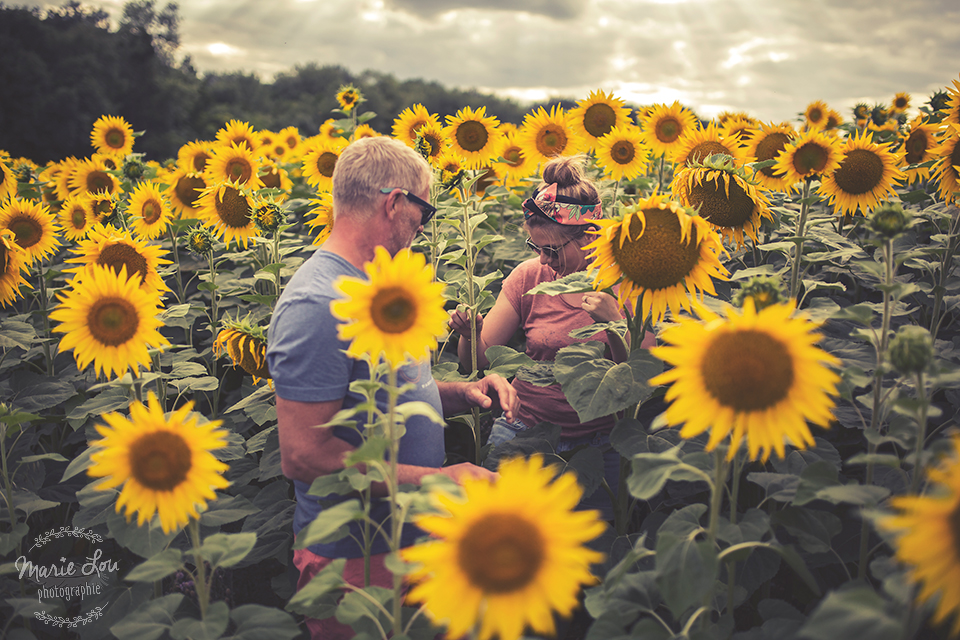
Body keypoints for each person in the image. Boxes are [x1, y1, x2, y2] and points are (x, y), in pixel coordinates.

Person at [266, 136, 518, 640]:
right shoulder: (318, 304)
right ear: (394, 202)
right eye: (423, 211)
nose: (423, 227)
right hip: (356, 558)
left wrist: (456, 393)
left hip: (409, 542)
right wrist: (438, 480)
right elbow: (304, 455)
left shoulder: (380, 287)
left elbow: (382, 393)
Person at [449, 156, 654, 518]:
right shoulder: (529, 278)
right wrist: (469, 333)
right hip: (524, 433)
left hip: (600, 445)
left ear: (589, 237)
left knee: (592, 556)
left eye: (552, 250)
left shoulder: (627, 283)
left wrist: (614, 323)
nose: (543, 260)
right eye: (535, 248)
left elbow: (644, 376)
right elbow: (477, 360)